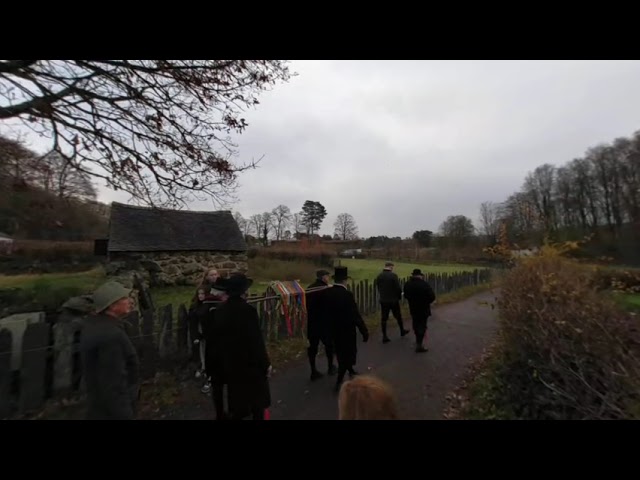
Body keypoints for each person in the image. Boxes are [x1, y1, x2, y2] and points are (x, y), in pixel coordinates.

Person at [211, 273, 271, 420]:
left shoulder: (219, 312)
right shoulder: (248, 311)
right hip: (250, 366)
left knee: (237, 402)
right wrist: (265, 364)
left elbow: (216, 341)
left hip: (230, 365)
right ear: (243, 291)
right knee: (257, 404)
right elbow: (256, 341)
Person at [80, 281, 139, 420]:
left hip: (98, 404)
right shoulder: (111, 336)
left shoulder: (93, 325)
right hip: (112, 409)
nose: (130, 301)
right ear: (112, 305)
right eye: (124, 298)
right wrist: (125, 414)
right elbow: (114, 382)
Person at [326, 266, 369, 393]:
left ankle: (350, 370)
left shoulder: (328, 293)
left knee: (340, 352)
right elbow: (355, 315)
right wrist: (364, 330)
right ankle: (339, 382)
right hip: (346, 330)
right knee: (346, 354)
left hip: (333, 329)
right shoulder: (347, 295)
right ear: (345, 280)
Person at [306, 269, 336, 380]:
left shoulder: (310, 288)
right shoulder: (326, 289)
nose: (328, 278)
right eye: (327, 276)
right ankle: (330, 367)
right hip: (324, 322)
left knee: (313, 347)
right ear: (323, 277)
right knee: (329, 345)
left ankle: (313, 370)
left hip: (312, 322)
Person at [375, 262, 410, 343]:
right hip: (393, 300)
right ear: (390, 267)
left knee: (384, 318)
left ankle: (384, 336)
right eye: (392, 267)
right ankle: (402, 331)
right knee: (398, 316)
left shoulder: (379, 276)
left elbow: (378, 286)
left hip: (384, 300)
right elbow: (397, 288)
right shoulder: (393, 275)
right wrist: (399, 296)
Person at [402, 269, 436, 353]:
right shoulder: (424, 284)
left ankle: (418, 340)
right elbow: (432, 297)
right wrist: (427, 301)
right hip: (423, 308)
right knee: (422, 326)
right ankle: (419, 345)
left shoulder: (408, 284)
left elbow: (405, 295)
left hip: (413, 308)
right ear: (420, 275)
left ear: (413, 275)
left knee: (415, 324)